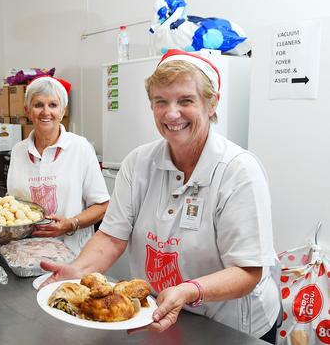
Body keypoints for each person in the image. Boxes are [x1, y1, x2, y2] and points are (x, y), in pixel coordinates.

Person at [40, 49, 280, 343]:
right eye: (160, 102)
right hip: (163, 315)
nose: (171, 113)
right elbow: (112, 236)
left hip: (231, 326)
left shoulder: (238, 171)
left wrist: (188, 290)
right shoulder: (138, 163)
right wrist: (78, 269)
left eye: (186, 101)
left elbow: (248, 270)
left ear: (212, 103)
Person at [7, 76, 110, 254]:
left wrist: (71, 224)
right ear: (27, 111)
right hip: (26, 254)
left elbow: (102, 206)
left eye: (53, 105)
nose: (46, 112)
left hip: (73, 254)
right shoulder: (18, 151)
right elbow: (13, 203)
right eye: (38, 105)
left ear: (63, 111)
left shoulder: (80, 148)